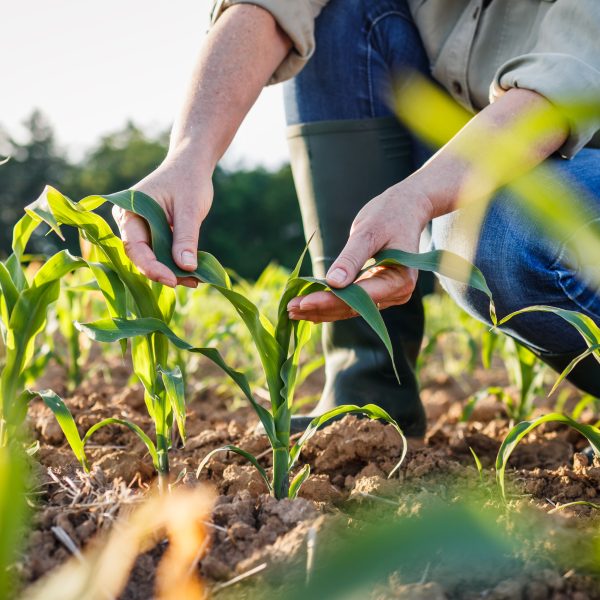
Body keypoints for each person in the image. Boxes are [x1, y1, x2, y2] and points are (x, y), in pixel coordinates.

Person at [113, 0, 600, 437]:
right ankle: (368, 393)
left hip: (574, 139)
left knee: (491, 236)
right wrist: (190, 154)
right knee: (344, 12)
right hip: (474, 134)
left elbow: (565, 80)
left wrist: (421, 196)